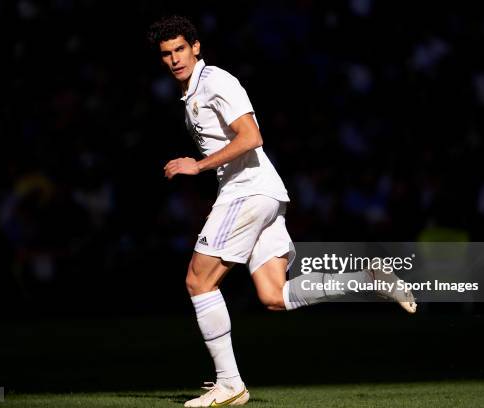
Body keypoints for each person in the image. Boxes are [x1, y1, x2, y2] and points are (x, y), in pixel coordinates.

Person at [147, 15, 416, 407]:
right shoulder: (192, 94)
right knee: (273, 295)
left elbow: (252, 136)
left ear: (196, 47)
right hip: (261, 191)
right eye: (166, 54)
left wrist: (199, 165)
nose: (174, 59)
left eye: (180, 49)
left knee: (198, 282)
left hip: (249, 191)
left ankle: (229, 384)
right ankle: (367, 278)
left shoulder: (215, 82)